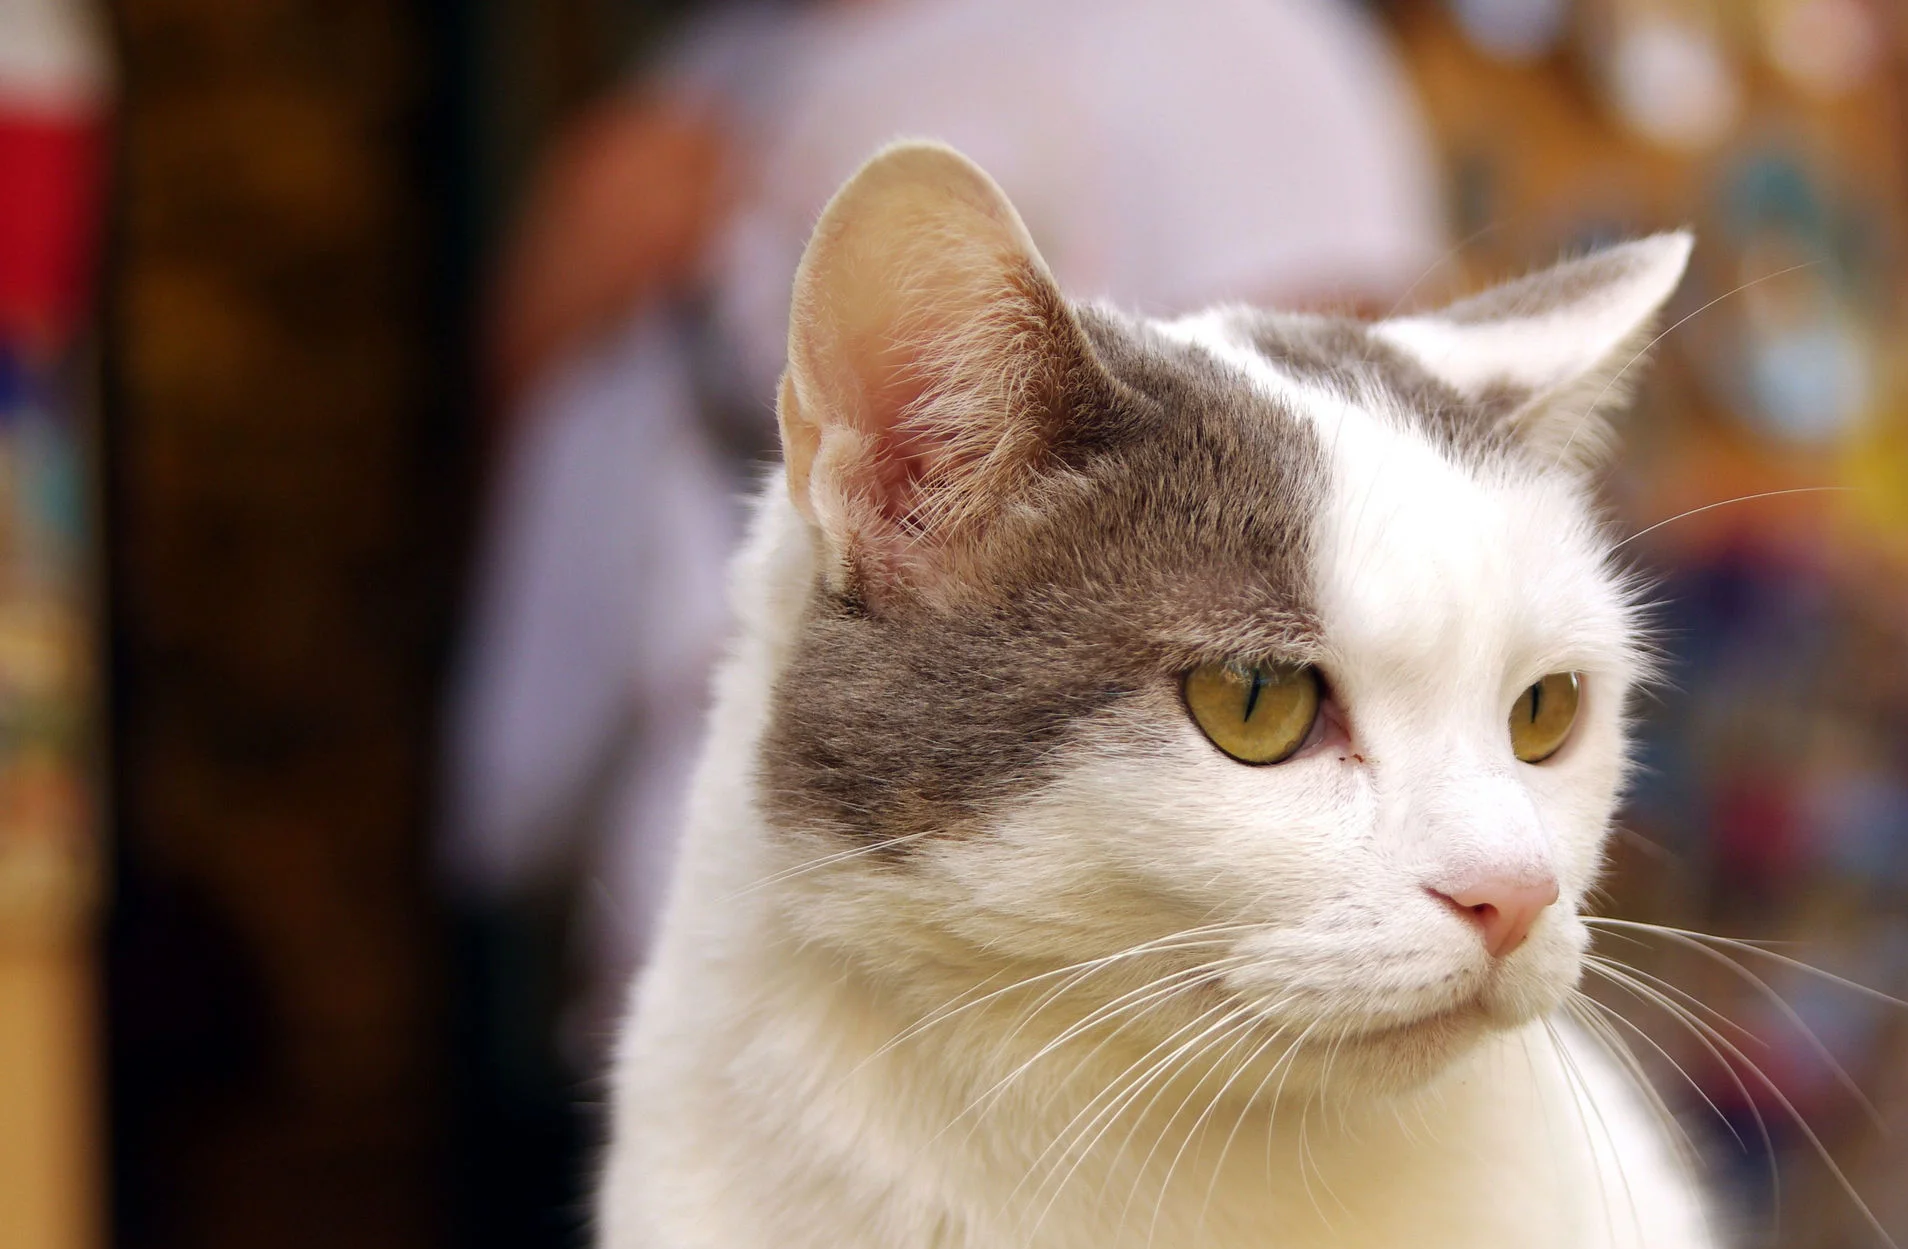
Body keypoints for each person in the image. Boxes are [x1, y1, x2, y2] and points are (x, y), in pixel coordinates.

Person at [443, 0, 1445, 1049]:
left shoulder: (1223, 41)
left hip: (1053, 1039)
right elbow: (564, 541)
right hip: (689, 963)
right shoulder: (717, 63)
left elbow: (1370, 545)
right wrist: (543, 313)